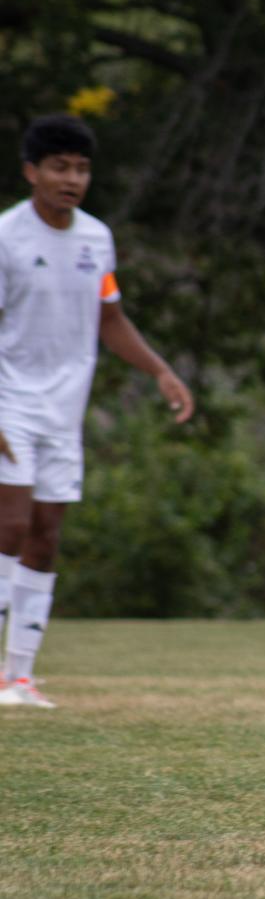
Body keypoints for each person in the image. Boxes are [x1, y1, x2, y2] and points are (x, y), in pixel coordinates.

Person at [0, 115, 193, 709]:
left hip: (64, 411)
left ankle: (18, 678)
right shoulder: (6, 237)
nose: (72, 179)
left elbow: (108, 319)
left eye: (81, 169)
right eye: (59, 166)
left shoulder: (95, 239)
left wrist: (160, 370)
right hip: (10, 402)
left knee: (46, 535)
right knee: (8, 526)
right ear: (32, 171)